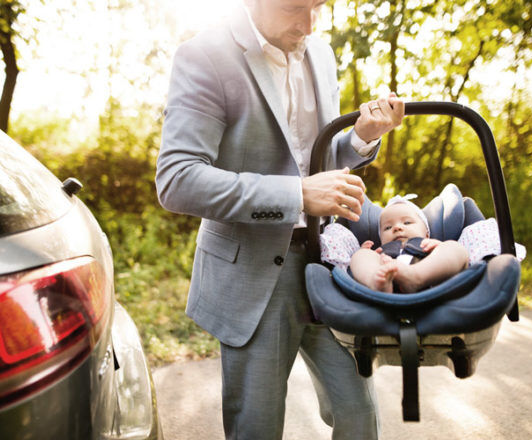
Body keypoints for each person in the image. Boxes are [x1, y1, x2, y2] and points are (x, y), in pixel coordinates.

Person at [155, 0, 404, 439]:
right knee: (258, 428)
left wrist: (363, 138)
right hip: (254, 277)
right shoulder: (205, 56)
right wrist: (296, 194)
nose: (308, 24)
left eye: (318, 7)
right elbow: (178, 179)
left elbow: (317, 158)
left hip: (330, 268)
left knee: (360, 416)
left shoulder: (322, 54)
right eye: (294, 8)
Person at [347, 196, 468, 293]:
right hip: (385, 275)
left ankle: (415, 276)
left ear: (427, 233)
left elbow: (446, 253)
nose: (397, 227)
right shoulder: (378, 253)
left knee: (454, 247)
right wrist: (365, 253)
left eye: (407, 222)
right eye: (388, 227)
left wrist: (439, 246)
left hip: (433, 282)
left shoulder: (430, 244)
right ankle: (375, 282)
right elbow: (363, 260)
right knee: (359, 256)